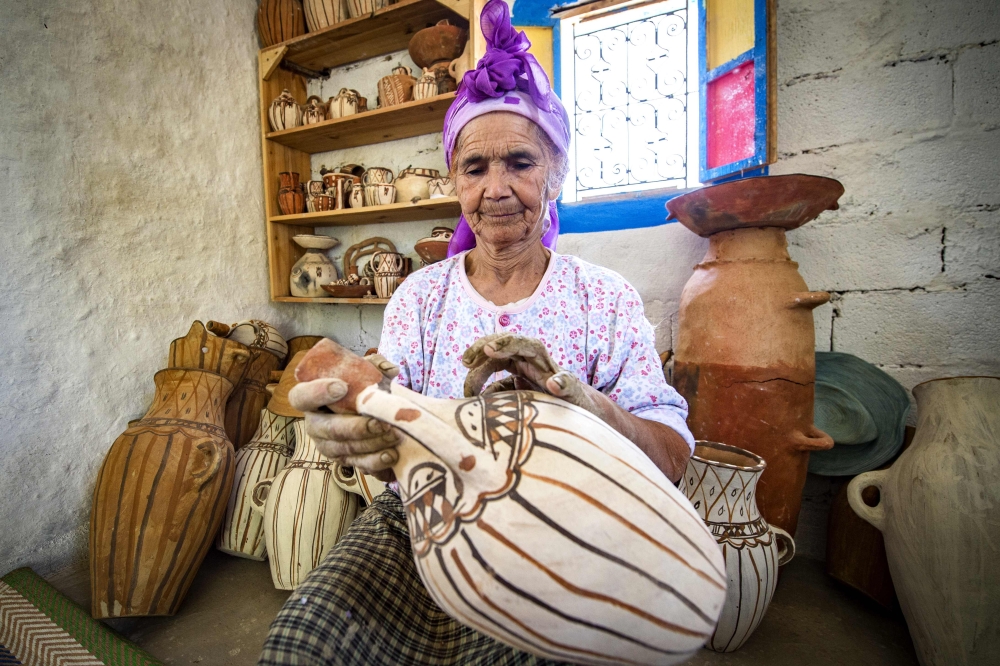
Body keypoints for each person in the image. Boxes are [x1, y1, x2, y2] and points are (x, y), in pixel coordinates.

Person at [258, 2, 694, 664]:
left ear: (556, 172)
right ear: (455, 181)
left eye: (519, 162)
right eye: (475, 167)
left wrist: (590, 411)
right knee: (299, 645)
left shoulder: (602, 300)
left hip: (559, 535)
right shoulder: (419, 297)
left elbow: (671, 456)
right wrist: (360, 426)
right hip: (420, 524)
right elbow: (385, 419)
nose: (496, 189)